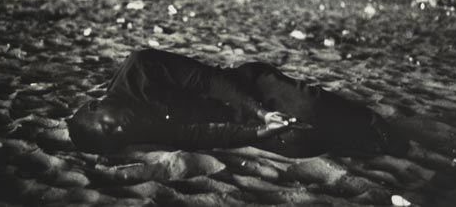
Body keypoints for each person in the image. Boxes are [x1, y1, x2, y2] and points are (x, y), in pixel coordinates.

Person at [68, 49, 409, 157]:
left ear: (94, 105)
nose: (122, 128)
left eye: (110, 124)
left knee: (308, 105)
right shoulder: (136, 125)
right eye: (117, 136)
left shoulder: (139, 67)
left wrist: (261, 112)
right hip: (236, 116)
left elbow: (211, 80)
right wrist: (257, 133)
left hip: (247, 87)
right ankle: (364, 146)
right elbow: (196, 136)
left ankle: (371, 122)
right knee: (295, 143)